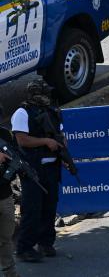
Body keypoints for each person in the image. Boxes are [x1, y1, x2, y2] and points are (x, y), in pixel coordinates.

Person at [11, 80, 64, 262]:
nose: (48, 96)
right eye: (44, 93)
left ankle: (45, 243)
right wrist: (45, 142)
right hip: (32, 169)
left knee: (50, 207)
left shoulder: (52, 112)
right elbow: (22, 140)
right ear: (35, 94)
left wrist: (63, 152)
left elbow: (60, 135)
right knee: (32, 210)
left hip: (51, 168)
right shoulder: (22, 113)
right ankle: (24, 248)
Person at [0, 108, 19, 277]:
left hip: (4, 193)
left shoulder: (5, 135)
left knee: (6, 236)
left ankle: (10, 272)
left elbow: (15, 159)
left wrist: (8, 174)